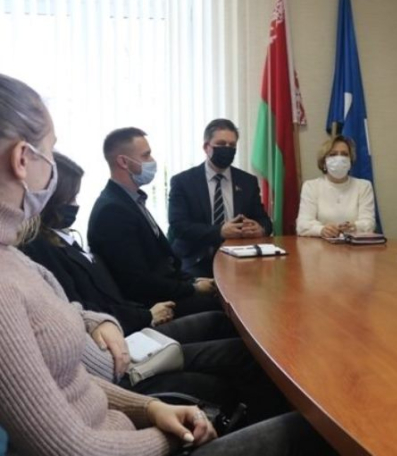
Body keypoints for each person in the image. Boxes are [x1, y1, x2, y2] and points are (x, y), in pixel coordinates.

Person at [0, 73, 334, 455]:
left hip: (128, 411)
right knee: (320, 430)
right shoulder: (8, 283)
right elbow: (73, 447)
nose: (55, 170)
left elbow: (76, 371)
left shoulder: (15, 258)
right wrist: (176, 434)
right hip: (134, 439)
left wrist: (148, 405)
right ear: (22, 159)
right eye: (51, 150)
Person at [21, 153, 290, 422]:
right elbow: (111, 295)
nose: (75, 204)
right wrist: (148, 315)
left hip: (131, 326)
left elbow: (109, 294)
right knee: (239, 354)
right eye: (70, 197)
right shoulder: (47, 245)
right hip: (126, 343)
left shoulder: (65, 237)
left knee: (221, 322)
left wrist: (186, 285)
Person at [88, 127, 220, 317]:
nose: (152, 161)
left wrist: (193, 281)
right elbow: (137, 282)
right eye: (146, 155)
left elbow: (160, 262)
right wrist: (192, 288)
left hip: (165, 290)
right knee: (224, 308)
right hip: (152, 306)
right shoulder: (113, 211)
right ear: (123, 162)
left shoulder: (131, 200)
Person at [169, 119, 272, 277]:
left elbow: (265, 221)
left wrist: (260, 228)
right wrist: (220, 231)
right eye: (221, 144)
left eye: (232, 145)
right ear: (206, 147)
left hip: (240, 259)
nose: (227, 149)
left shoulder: (247, 181)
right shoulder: (183, 182)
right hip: (197, 259)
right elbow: (178, 226)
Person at [296, 135, 376, 238]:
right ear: (324, 162)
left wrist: (354, 227)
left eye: (344, 154)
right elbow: (302, 225)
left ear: (350, 161)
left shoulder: (364, 186)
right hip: (320, 245)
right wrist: (322, 230)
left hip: (354, 245)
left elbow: (369, 223)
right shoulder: (311, 187)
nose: (339, 158)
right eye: (333, 154)